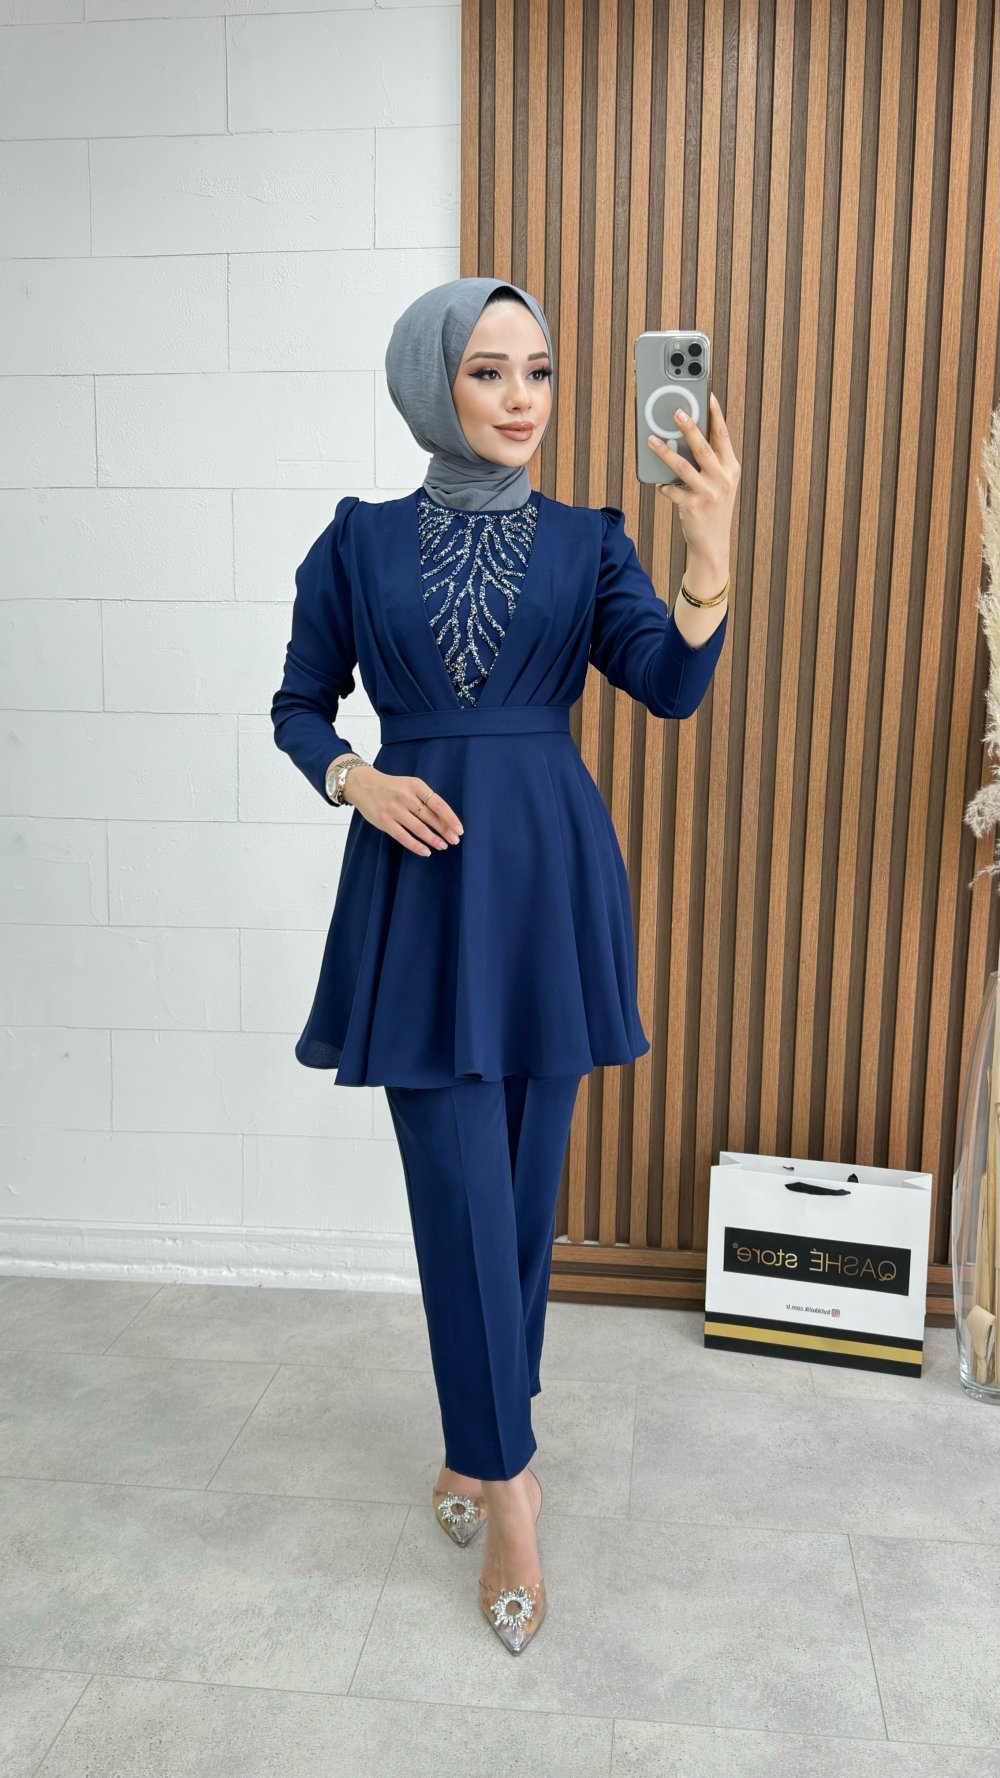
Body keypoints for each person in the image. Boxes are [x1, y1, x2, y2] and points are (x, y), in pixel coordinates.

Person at [270, 275, 737, 1653]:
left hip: (549, 885)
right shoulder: (355, 544)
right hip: (419, 888)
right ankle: (512, 1483)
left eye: (537, 369)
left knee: (522, 1201)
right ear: (434, 384)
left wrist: (709, 551)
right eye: (488, 371)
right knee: (460, 1193)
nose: (522, 397)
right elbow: (298, 705)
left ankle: (481, 1435)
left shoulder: (591, 540)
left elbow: (669, 685)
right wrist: (357, 778)